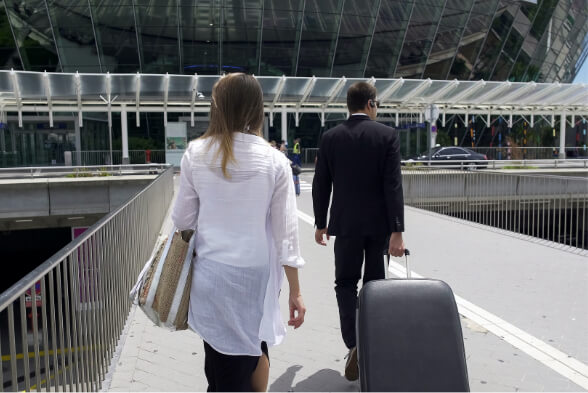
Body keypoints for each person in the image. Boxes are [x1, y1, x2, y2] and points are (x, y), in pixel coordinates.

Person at [172, 73, 306, 392]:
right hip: (256, 281)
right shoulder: (275, 161)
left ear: (218, 108)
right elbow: (286, 234)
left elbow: (182, 221)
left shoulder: (196, 154)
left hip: (210, 279)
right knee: (252, 347)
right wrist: (295, 291)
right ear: (258, 109)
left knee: (220, 366)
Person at [312, 81, 405, 382]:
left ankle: (353, 342)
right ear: (370, 104)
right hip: (379, 229)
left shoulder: (331, 137)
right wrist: (397, 231)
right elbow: (393, 187)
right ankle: (372, 344)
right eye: (376, 103)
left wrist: (319, 222)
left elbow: (320, 184)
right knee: (375, 286)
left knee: (345, 284)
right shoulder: (387, 136)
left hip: (346, 226)